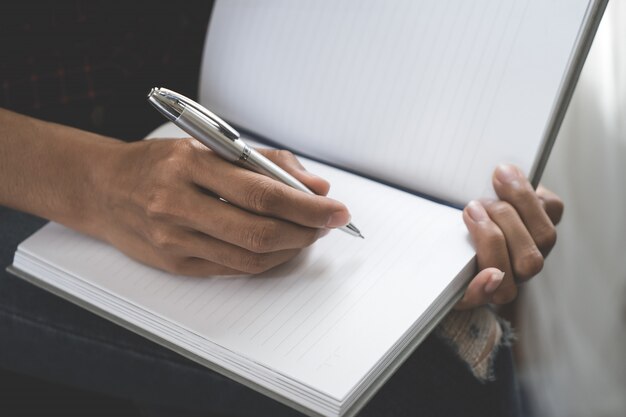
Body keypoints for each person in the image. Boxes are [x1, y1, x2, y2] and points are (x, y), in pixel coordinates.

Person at [0, 2, 563, 416]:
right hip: (34, 168)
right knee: (425, 385)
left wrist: (452, 173)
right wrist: (92, 183)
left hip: (237, 112)